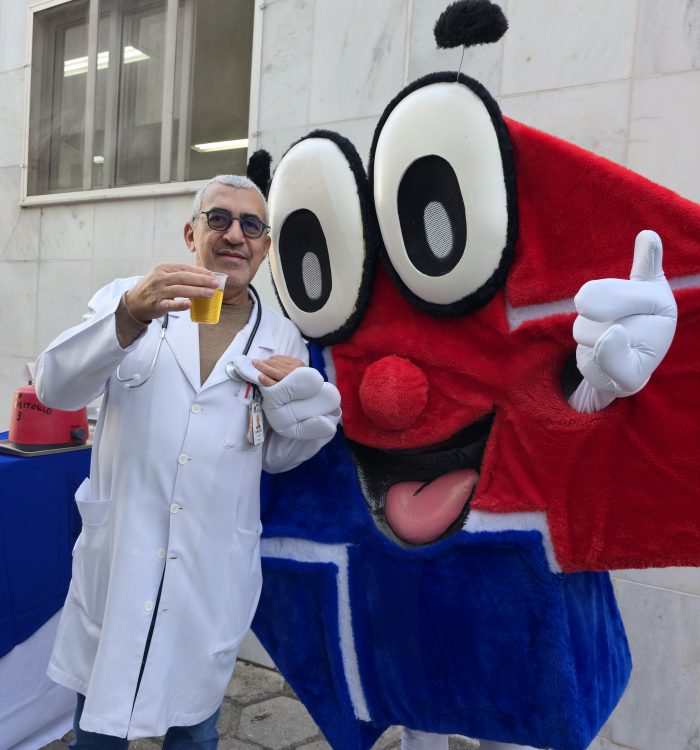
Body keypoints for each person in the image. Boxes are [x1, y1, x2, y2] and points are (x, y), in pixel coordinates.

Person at [34, 174, 341, 748]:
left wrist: (296, 402)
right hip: (121, 560)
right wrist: (128, 316)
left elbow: (278, 455)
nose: (234, 235)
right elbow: (55, 387)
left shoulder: (281, 337)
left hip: (208, 571)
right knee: (98, 732)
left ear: (264, 247)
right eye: (218, 218)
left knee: (195, 732)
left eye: (251, 225)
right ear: (191, 233)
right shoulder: (128, 297)